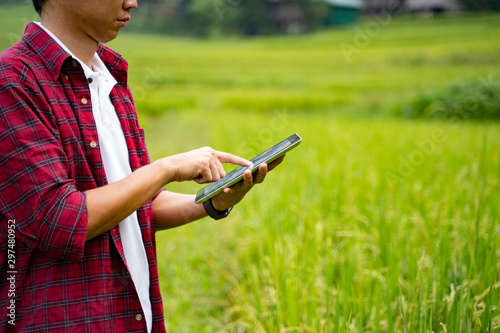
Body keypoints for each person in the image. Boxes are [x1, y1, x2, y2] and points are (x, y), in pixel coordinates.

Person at [0, 0, 284, 331]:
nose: (132, 2)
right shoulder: (14, 81)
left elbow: (137, 206)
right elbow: (59, 218)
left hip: (132, 317)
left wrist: (213, 201)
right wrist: (165, 168)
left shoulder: (111, 80)